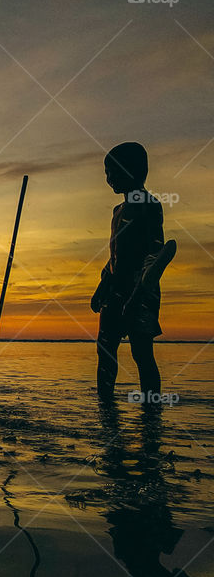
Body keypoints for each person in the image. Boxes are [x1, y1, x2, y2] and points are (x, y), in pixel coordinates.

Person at [91, 142, 164, 400]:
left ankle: (151, 411)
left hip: (141, 291)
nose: (109, 179)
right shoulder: (118, 211)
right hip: (114, 291)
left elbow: (155, 253)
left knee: (142, 353)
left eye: (113, 172)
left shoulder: (148, 206)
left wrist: (139, 292)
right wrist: (102, 286)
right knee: (105, 349)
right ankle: (106, 407)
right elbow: (115, 255)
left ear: (133, 171)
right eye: (106, 173)